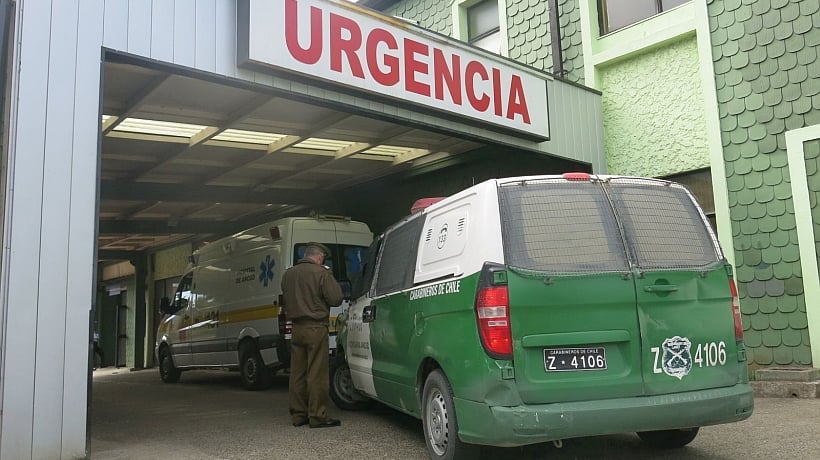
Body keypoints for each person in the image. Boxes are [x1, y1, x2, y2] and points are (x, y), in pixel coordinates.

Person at [281, 242, 344, 428]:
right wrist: (328, 274)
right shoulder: (321, 273)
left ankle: (298, 416)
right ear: (319, 257)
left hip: (296, 329)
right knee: (317, 373)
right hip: (316, 328)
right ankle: (317, 416)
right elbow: (336, 298)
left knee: (297, 374)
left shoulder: (288, 275)